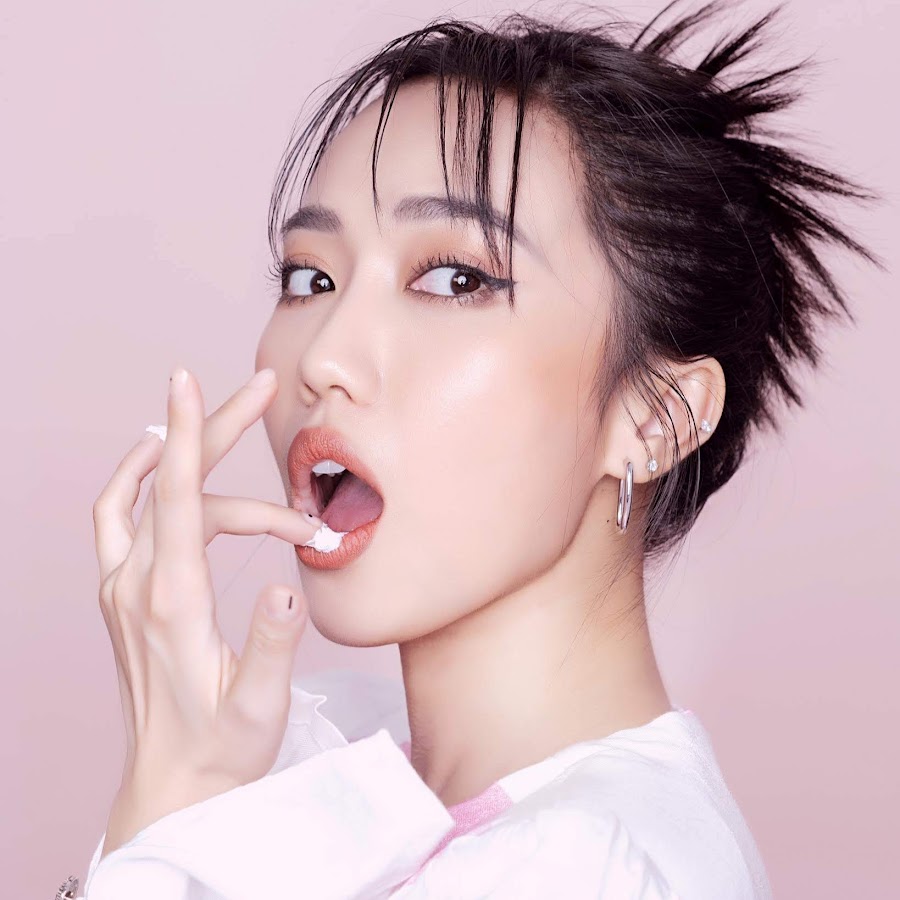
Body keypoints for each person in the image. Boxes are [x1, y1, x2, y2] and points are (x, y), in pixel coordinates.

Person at [70, 0, 882, 897]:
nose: (326, 356)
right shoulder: (318, 757)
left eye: (454, 279)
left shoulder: (587, 869)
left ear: (655, 417)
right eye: (311, 277)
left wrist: (164, 812)